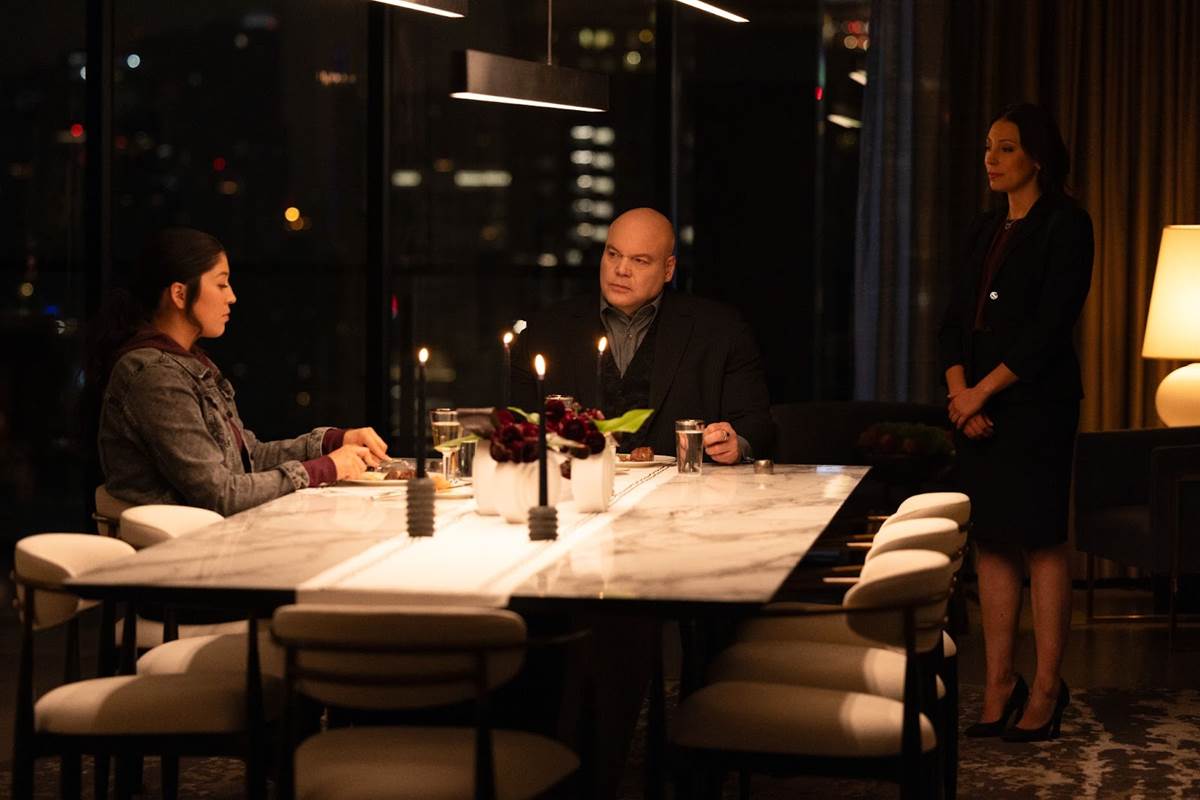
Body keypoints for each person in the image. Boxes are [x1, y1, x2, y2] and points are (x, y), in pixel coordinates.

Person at [938, 103, 1093, 742]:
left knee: (1041, 539)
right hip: (975, 403)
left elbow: (1049, 328)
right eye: (987, 147)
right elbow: (953, 319)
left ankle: (1049, 686)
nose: (991, 160)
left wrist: (981, 394)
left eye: (1005, 148)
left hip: (1037, 406)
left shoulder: (1067, 224)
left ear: (1037, 156)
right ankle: (1000, 682)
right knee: (992, 540)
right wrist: (960, 395)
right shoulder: (984, 226)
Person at [93, 227, 387, 516]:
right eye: (221, 284)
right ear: (180, 294)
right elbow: (221, 494)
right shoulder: (154, 375)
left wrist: (333, 442)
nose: (232, 296)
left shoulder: (189, 364)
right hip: (186, 543)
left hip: (217, 535)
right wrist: (325, 468)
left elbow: (249, 457)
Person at [511, 207, 773, 462]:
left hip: (685, 489)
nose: (621, 269)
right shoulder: (546, 329)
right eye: (613, 254)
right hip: (575, 486)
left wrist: (735, 444)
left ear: (668, 269)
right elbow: (516, 425)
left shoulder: (720, 329)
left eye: (639, 260)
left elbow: (756, 425)